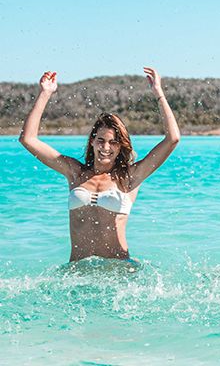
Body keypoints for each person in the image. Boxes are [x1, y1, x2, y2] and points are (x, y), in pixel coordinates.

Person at [19, 68, 180, 261]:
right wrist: (45, 93)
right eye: (101, 140)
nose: (106, 147)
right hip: (79, 271)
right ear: (92, 142)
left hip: (119, 272)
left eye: (113, 142)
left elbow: (173, 139)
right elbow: (28, 139)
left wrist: (159, 93)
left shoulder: (129, 177)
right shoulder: (75, 172)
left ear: (121, 146)